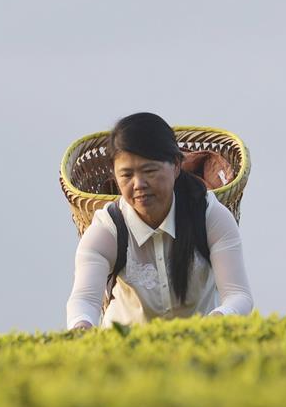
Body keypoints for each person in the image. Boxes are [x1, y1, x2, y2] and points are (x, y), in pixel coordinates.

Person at [66, 112, 253, 331]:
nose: (138, 184)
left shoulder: (208, 215)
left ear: (175, 166)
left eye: (150, 171)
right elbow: (84, 299)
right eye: (126, 175)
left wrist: (218, 319)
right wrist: (81, 324)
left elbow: (238, 295)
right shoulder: (108, 229)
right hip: (125, 353)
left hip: (197, 348)